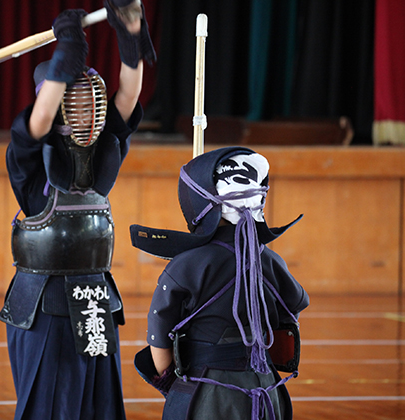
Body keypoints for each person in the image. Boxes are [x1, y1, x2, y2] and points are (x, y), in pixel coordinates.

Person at [0, 1, 155, 419]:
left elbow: (129, 93)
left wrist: (130, 34)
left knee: (98, 406)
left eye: (91, 100)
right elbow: (40, 117)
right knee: (49, 407)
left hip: (95, 301)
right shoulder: (31, 166)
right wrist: (66, 52)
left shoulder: (104, 153)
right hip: (44, 306)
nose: (86, 110)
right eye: (75, 99)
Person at [131, 147, 309, 420]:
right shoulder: (272, 260)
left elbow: (159, 331)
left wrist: (173, 384)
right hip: (266, 390)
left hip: (207, 395)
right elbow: (290, 315)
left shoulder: (186, 265)